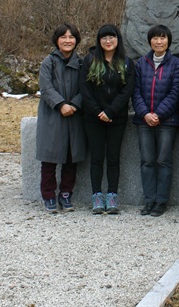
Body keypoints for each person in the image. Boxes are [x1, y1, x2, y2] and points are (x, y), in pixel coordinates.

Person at [80, 24, 134, 215]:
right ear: (99, 40)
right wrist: (97, 112)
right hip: (93, 118)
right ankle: (96, 195)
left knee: (113, 158)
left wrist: (111, 111)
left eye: (112, 37)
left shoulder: (126, 62)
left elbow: (127, 90)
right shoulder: (89, 61)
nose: (108, 41)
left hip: (116, 118)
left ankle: (112, 195)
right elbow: (85, 89)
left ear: (118, 40)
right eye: (104, 38)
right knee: (96, 158)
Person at [133, 24, 179, 217]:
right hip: (143, 120)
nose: (159, 41)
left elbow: (175, 92)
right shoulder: (141, 63)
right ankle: (149, 200)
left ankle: (161, 201)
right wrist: (145, 113)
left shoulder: (176, 64)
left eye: (162, 38)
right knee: (146, 161)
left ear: (168, 41)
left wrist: (158, 114)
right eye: (155, 38)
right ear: (150, 41)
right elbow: (135, 91)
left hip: (167, 120)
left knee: (163, 160)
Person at [36, 23, 87, 213]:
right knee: (49, 159)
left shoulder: (82, 63)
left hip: (74, 115)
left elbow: (86, 88)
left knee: (71, 158)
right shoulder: (48, 62)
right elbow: (45, 87)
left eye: (71, 37)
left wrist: (74, 104)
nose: (67, 40)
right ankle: (48, 195)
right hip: (53, 114)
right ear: (57, 40)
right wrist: (61, 104)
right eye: (63, 37)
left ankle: (66, 193)